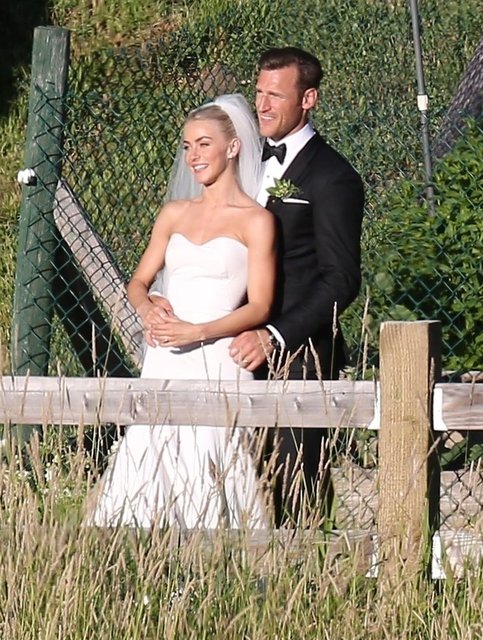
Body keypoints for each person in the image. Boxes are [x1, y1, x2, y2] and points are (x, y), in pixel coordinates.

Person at [88, 94, 276, 529]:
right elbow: (138, 281)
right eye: (188, 146)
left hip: (217, 354)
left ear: (233, 147)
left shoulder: (256, 221)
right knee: (149, 448)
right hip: (166, 353)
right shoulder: (174, 213)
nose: (193, 156)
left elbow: (261, 304)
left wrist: (199, 331)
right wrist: (147, 307)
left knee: (213, 457)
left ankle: (221, 557)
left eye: (204, 144)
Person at [228, 47, 365, 527]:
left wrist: (275, 336)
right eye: (259, 93)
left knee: (293, 483)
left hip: (297, 354)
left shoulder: (333, 177)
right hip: (230, 346)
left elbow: (341, 278)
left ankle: (305, 565)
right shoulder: (242, 162)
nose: (262, 106)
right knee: (236, 477)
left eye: (276, 96)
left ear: (308, 99)